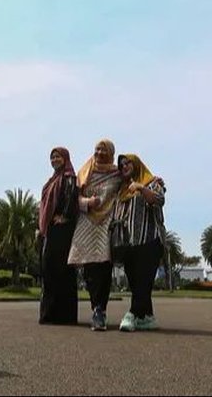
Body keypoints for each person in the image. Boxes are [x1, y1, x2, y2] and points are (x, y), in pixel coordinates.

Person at [67, 139, 121, 331]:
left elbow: (135, 178)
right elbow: (75, 197)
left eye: (103, 150)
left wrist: (154, 182)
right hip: (87, 222)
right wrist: (87, 202)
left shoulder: (117, 173)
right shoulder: (85, 171)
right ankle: (95, 307)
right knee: (89, 267)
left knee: (104, 266)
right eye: (97, 149)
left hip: (106, 222)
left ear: (111, 153)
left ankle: (101, 310)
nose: (99, 153)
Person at [112, 154, 166, 332]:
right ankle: (147, 317)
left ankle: (132, 314)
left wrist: (141, 188)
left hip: (149, 240)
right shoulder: (122, 189)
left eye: (127, 163)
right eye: (121, 165)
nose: (124, 166)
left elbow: (158, 200)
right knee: (135, 283)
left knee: (143, 281)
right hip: (128, 244)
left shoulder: (151, 182)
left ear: (136, 164)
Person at [37, 147, 79, 325]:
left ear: (65, 158)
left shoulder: (69, 177)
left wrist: (65, 216)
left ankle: (65, 316)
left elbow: (71, 199)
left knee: (62, 270)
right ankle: (49, 314)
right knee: (49, 270)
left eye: (58, 157)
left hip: (63, 231)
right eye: (52, 157)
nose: (55, 160)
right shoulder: (51, 181)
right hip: (51, 230)